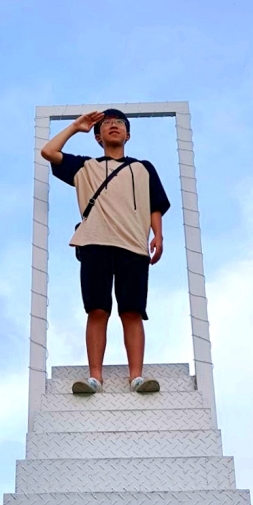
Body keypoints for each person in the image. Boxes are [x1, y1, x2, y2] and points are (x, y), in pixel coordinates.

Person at [40, 108, 170, 394]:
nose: (114, 126)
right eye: (108, 124)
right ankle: (95, 377)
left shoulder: (143, 168)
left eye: (119, 124)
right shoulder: (86, 167)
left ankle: (136, 376)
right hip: (95, 244)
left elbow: (155, 205)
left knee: (132, 312)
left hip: (134, 246)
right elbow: (48, 152)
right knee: (97, 310)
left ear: (128, 134)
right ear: (98, 136)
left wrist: (158, 235)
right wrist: (76, 127)